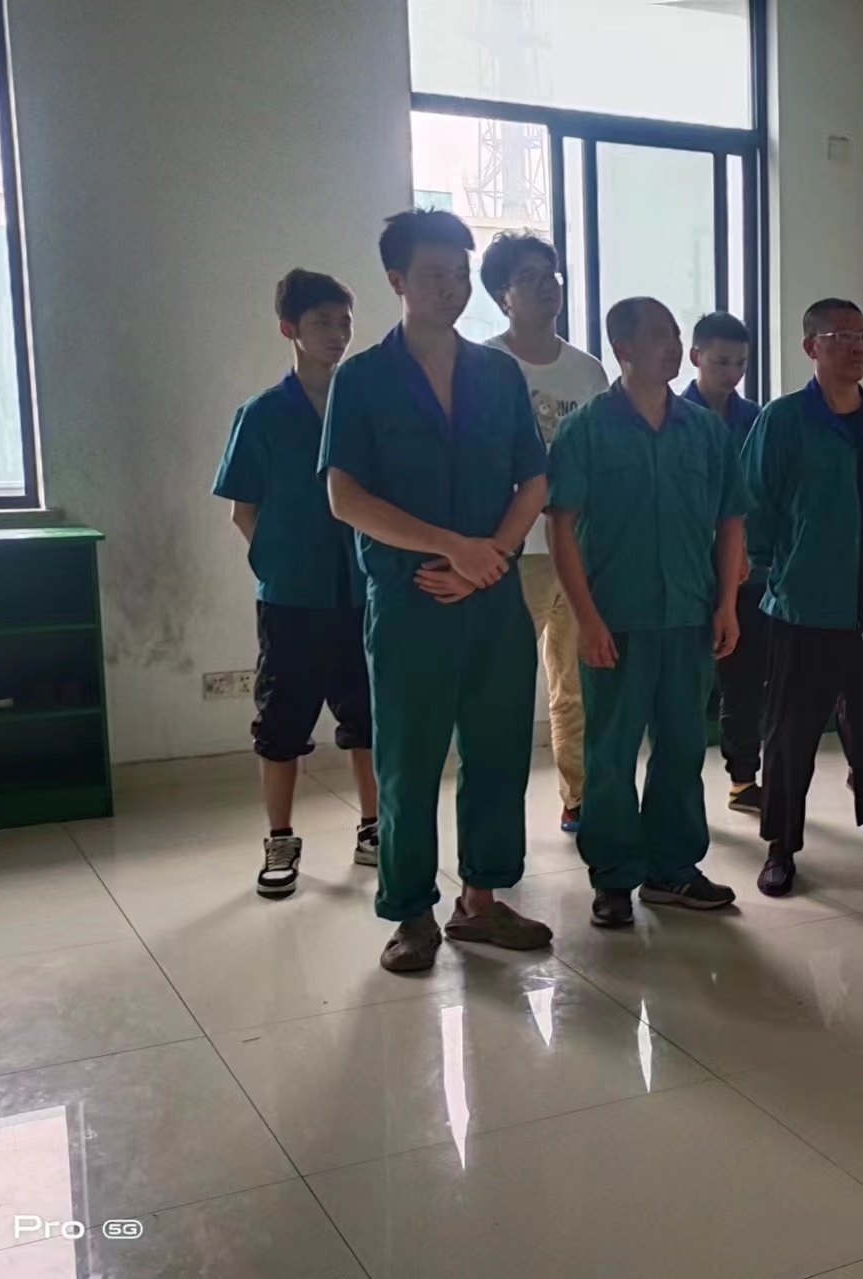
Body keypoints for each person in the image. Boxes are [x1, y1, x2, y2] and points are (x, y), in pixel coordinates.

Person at [321, 209, 553, 974]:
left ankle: (480, 902)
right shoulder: (362, 378)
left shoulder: (497, 374)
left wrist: (490, 556)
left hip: (491, 596)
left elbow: (533, 479)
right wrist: (452, 546)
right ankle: (410, 911)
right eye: (434, 275)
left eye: (459, 275)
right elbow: (345, 497)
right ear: (396, 280)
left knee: (498, 750)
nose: (451, 289)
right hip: (409, 597)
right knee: (408, 759)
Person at [547, 297, 746, 928]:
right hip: (616, 620)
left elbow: (730, 520)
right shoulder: (585, 429)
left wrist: (727, 604)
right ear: (623, 348)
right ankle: (612, 876)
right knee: (610, 754)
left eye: (675, 334)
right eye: (659, 335)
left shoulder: (704, 430)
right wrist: (586, 619)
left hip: (689, 615)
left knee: (682, 749)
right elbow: (561, 527)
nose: (673, 346)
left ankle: (672, 870)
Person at [741, 298, 863, 897]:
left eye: (862, 336)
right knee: (792, 734)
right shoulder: (783, 419)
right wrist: (783, 570)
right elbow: (755, 507)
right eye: (841, 336)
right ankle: (780, 846)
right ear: (811, 347)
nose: (856, 346)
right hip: (808, 606)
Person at [213, 269, 379, 898]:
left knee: (368, 716)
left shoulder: (363, 408)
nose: (337, 335)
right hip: (291, 599)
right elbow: (243, 509)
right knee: (281, 720)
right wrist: (282, 565)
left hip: (362, 591)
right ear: (290, 329)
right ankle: (280, 839)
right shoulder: (262, 415)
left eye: (344, 323)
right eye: (322, 323)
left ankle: (374, 828)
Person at [479, 231, 609, 835]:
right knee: (501, 690)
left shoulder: (587, 370)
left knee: (576, 685)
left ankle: (579, 798)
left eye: (550, 275)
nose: (545, 287)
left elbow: (605, 459)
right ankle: (495, 813)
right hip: (512, 553)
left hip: (579, 550)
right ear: (501, 295)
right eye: (528, 278)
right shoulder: (483, 365)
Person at [683, 311, 769, 815]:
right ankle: (679, 788)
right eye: (721, 362)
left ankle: (743, 779)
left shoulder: (757, 419)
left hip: (747, 573)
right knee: (684, 688)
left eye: (740, 363)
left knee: (744, 679)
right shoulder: (672, 417)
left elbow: (761, 496)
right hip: (687, 573)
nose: (732, 373)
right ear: (695, 357)